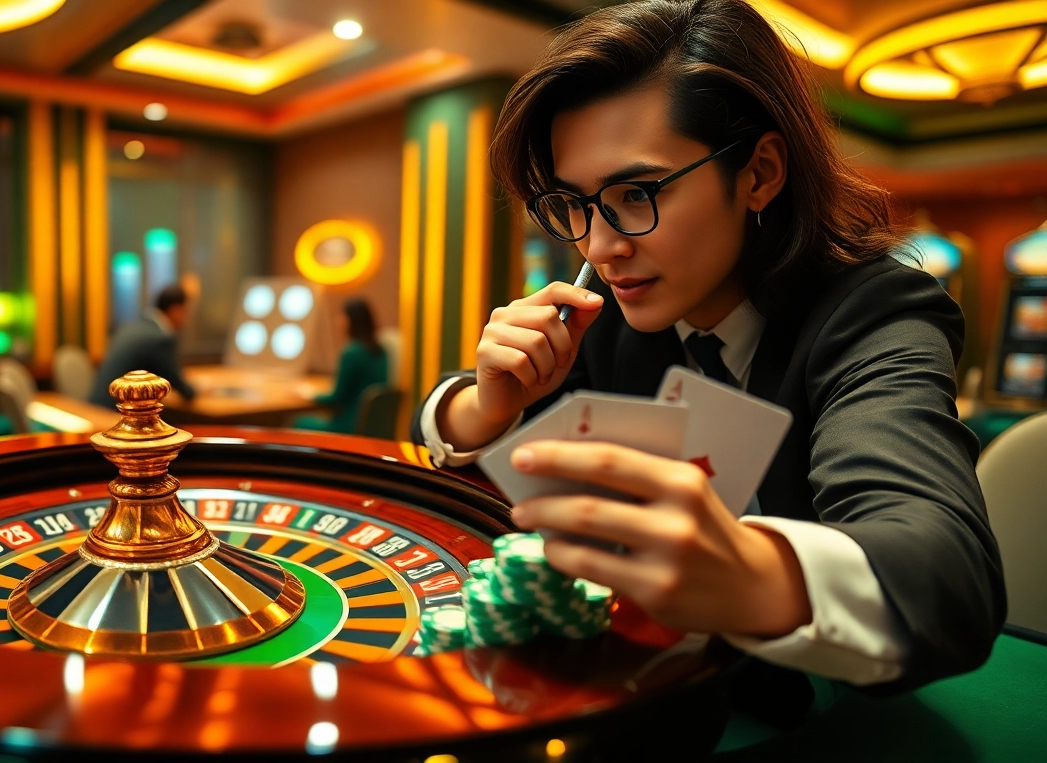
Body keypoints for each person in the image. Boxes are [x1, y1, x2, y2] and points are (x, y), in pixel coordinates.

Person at [413, 0, 1003, 704]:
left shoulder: (876, 313)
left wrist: (753, 573)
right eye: (573, 204)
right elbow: (445, 425)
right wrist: (489, 405)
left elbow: (948, 579)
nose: (601, 247)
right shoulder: (606, 312)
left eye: (636, 194)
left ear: (760, 173)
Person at [90, 284, 196, 407]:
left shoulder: (137, 325)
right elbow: (180, 386)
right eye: (186, 312)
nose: (187, 318)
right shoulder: (159, 339)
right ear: (175, 310)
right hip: (115, 411)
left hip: (98, 405)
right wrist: (197, 391)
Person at [295, 298, 390, 434]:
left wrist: (308, 395)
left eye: (341, 316)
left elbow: (336, 398)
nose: (338, 321)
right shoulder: (381, 351)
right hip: (374, 427)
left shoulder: (351, 353)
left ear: (351, 320)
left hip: (350, 426)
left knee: (299, 422)